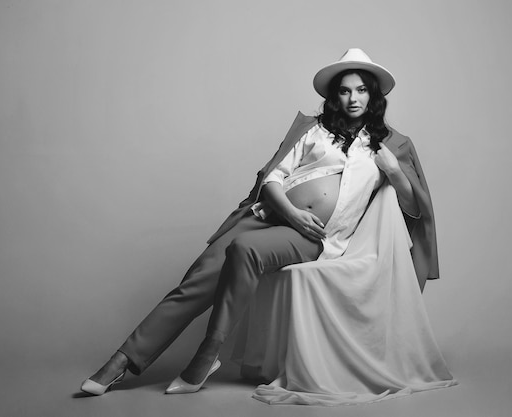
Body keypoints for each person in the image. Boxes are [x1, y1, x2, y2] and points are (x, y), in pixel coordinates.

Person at [80, 48, 441, 397]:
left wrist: (393, 170)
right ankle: (122, 360)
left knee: (244, 250)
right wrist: (291, 212)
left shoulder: (392, 145)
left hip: (312, 238)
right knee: (197, 280)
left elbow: (413, 209)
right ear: (335, 96)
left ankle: (207, 353)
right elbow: (273, 177)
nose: (353, 98)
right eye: (345, 90)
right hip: (267, 216)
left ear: (373, 95)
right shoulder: (313, 131)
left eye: (361, 90)